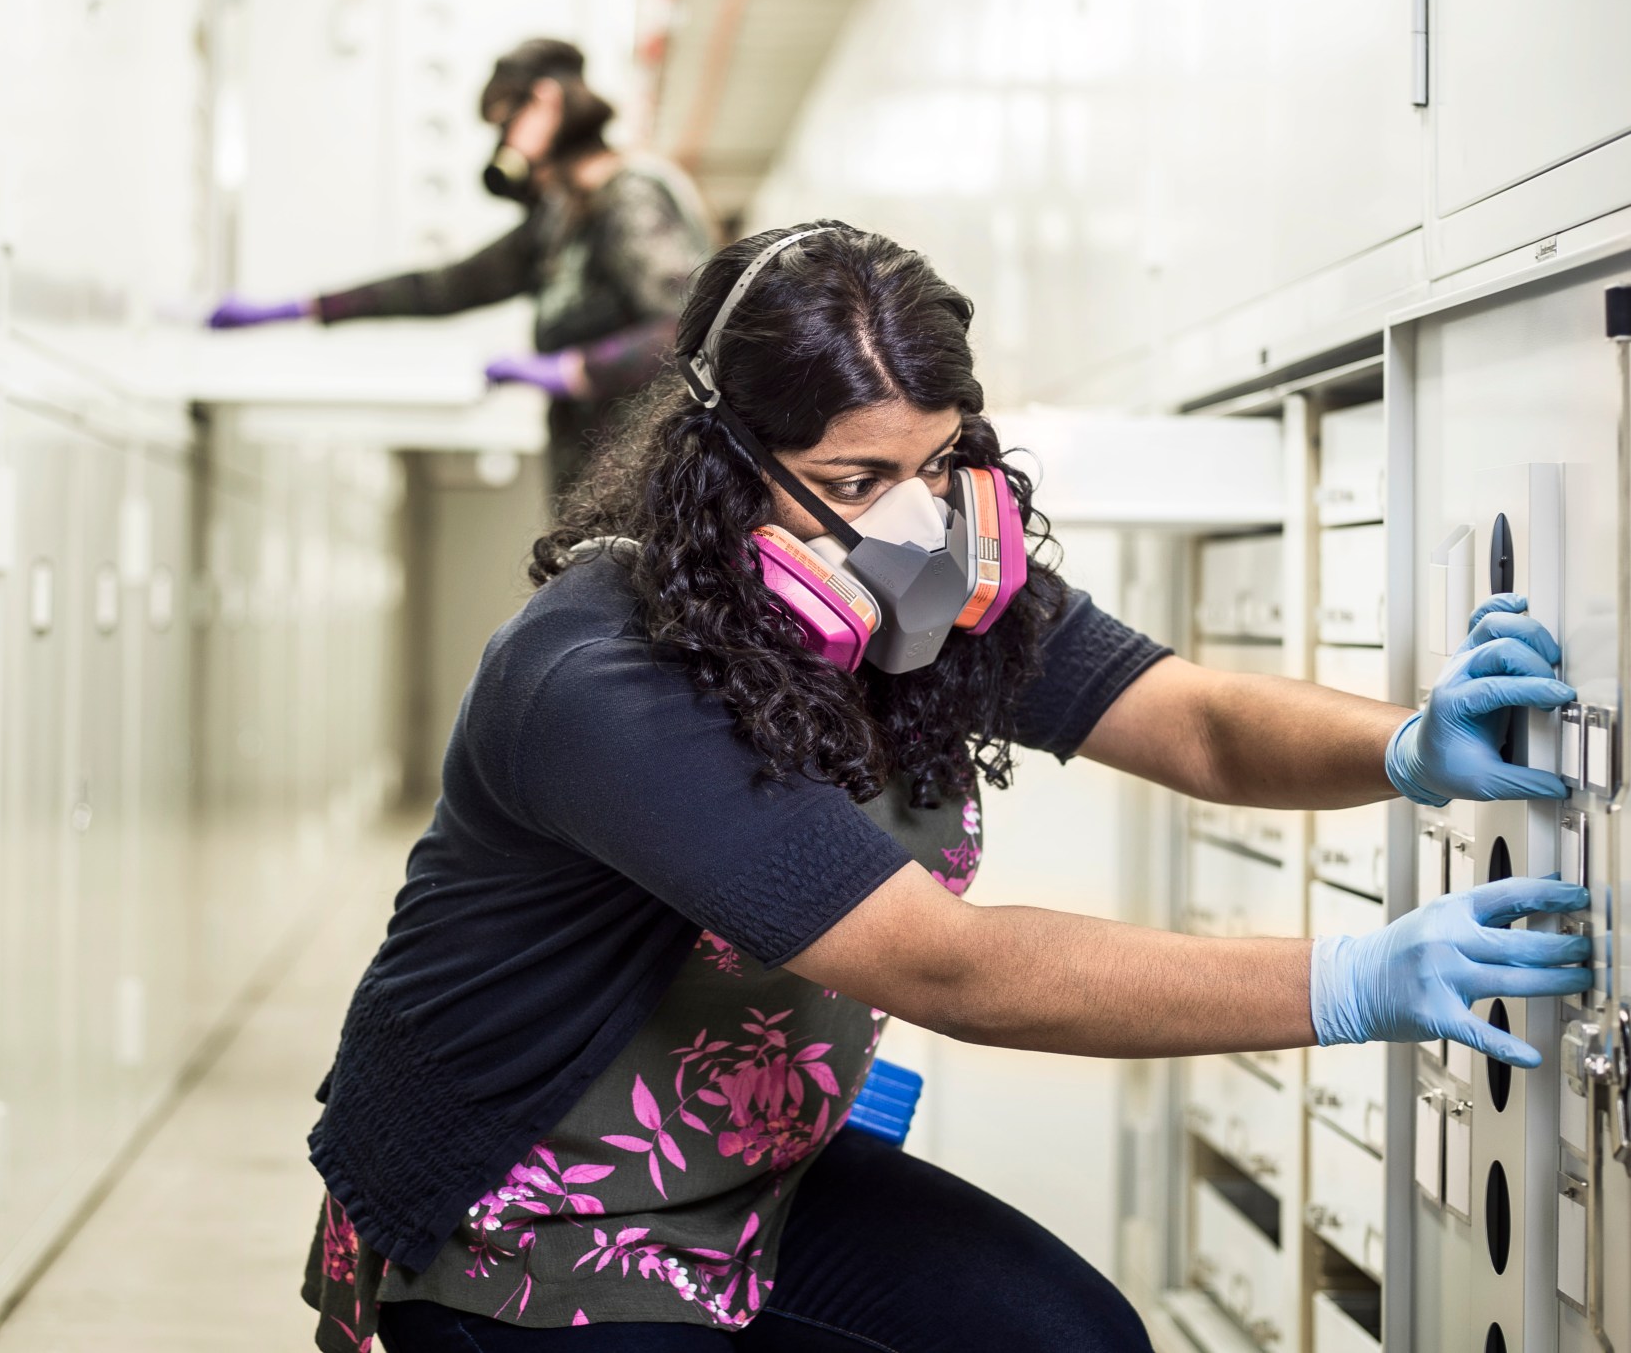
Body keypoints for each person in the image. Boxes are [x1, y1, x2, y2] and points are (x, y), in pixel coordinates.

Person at [300, 223, 1588, 1351]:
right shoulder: (599, 680)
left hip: (755, 1184)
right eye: (856, 482)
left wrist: (1402, 743)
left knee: (1076, 1341)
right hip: (523, 1226)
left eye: (934, 462)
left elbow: (1192, 723)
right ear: (725, 465)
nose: (911, 522)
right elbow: (949, 969)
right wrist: (1354, 982)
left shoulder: (925, 592)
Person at [208, 37, 713, 490]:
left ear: (545, 102)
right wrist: (302, 309)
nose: (502, 145)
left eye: (503, 122)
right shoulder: (560, 219)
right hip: (592, 476)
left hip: (648, 481)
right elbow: (445, 287)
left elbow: (684, 330)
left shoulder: (629, 198)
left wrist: (577, 370)